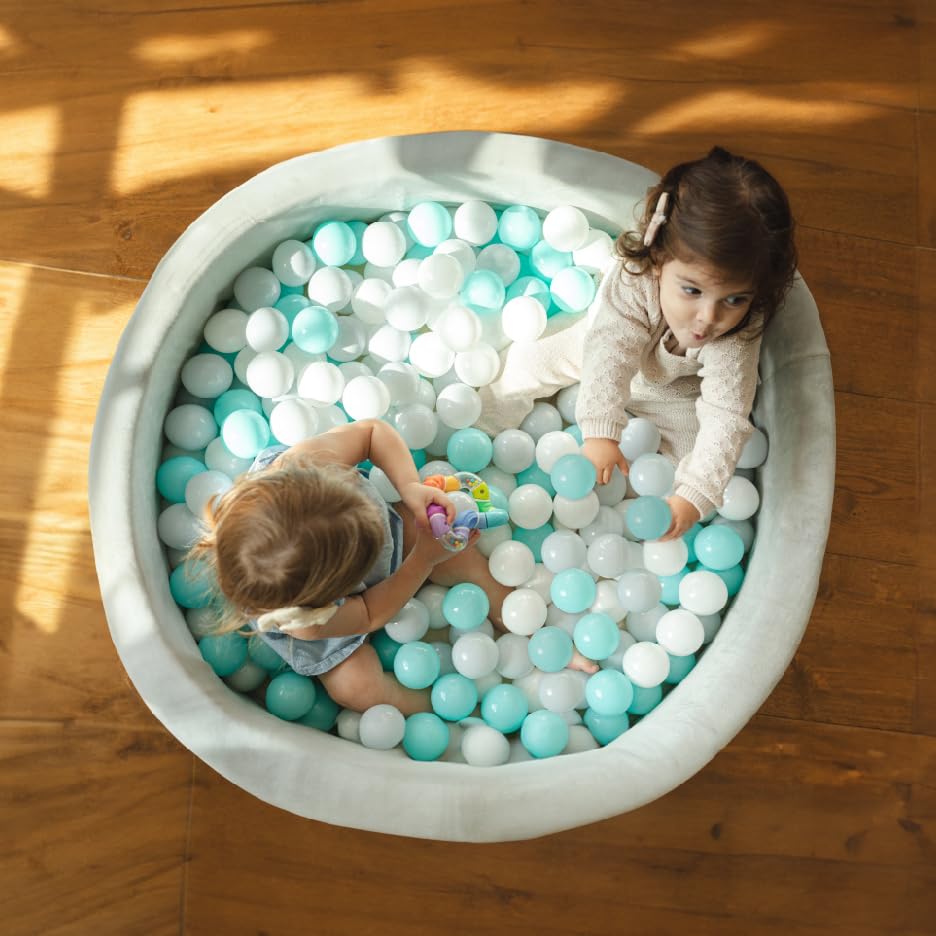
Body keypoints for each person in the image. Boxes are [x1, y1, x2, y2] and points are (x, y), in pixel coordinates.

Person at [477, 146, 797, 542]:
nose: (709, 318)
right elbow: (610, 354)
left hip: (674, 396)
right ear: (659, 258)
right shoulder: (635, 279)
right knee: (529, 363)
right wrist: (600, 430)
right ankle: (481, 426)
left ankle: (606, 527)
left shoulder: (737, 332)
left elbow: (726, 414)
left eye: (735, 299)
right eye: (692, 290)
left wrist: (693, 497)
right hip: (595, 352)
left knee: (690, 463)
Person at [190, 419, 597, 717]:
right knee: (355, 687)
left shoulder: (302, 464)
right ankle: (445, 709)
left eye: (352, 490)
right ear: (339, 583)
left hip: (354, 554)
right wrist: (423, 559)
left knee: (461, 556)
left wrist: (409, 489)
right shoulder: (306, 622)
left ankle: (529, 626)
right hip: (342, 622)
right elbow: (368, 613)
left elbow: (372, 433)